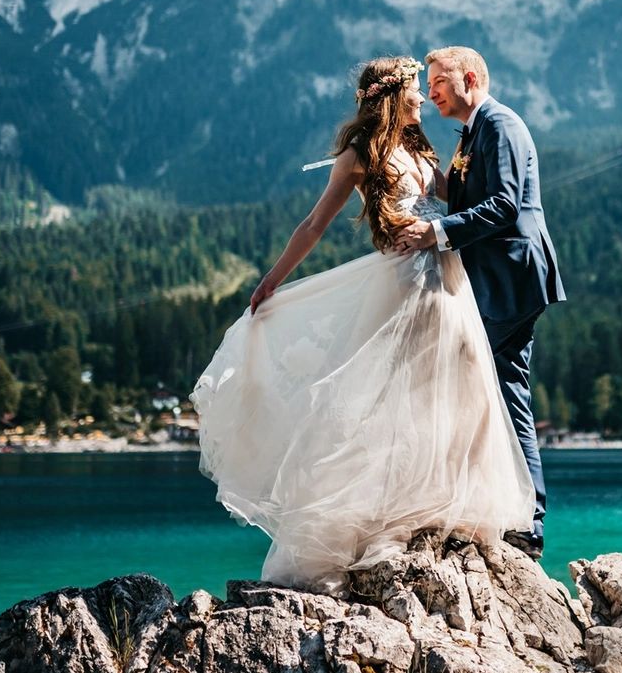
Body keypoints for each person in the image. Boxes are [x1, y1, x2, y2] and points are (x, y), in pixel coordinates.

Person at [192, 56, 535, 593]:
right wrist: (272, 280)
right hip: (401, 279)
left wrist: (515, 207)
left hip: (446, 277)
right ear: (393, 95)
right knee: (390, 399)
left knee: (462, 385)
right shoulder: (358, 155)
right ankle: (376, 518)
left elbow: (458, 199)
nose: (425, 98)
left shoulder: (420, 144)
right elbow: (313, 224)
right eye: (417, 90)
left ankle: (449, 507)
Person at [393, 46, 565, 559]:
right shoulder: (473, 131)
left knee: (464, 379)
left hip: (511, 276)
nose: (430, 92)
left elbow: (506, 205)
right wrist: (418, 167)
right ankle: (518, 519)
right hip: (500, 278)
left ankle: (512, 516)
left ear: (470, 77)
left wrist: (434, 232)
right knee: (503, 391)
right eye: (427, 85)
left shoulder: (500, 125)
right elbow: (469, 196)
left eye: (439, 81)